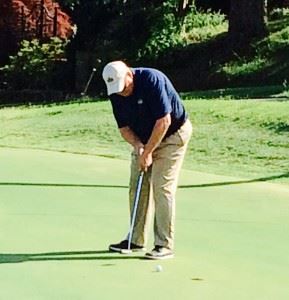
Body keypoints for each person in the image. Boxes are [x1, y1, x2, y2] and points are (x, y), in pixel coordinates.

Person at [102, 61, 192, 259]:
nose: (122, 93)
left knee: (162, 187)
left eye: (124, 87)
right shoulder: (115, 93)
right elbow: (124, 128)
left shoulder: (151, 79)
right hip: (144, 139)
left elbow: (164, 121)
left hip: (172, 136)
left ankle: (164, 244)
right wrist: (138, 146)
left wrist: (148, 152)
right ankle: (135, 240)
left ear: (129, 75)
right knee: (137, 186)